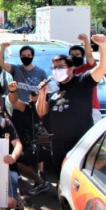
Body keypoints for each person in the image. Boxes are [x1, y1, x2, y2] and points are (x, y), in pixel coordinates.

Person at [37, 34, 106, 176]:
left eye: (61, 67)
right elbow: (42, 112)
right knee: (60, 174)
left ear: (71, 69)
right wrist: (42, 94)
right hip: (57, 142)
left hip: (80, 142)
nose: (57, 70)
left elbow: (102, 68)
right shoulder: (53, 87)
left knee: (78, 177)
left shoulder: (83, 81)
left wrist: (103, 46)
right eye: (54, 67)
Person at [7, 81, 50, 196]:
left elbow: (41, 112)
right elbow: (14, 101)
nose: (32, 98)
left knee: (18, 161)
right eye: (32, 95)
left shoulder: (47, 106)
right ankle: (40, 179)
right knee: (19, 159)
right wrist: (12, 91)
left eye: (36, 95)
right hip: (36, 145)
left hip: (49, 146)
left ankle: (41, 181)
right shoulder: (29, 107)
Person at [69, 33, 101, 124]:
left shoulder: (89, 68)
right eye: (72, 55)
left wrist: (86, 40)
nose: (74, 57)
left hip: (91, 108)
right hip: (74, 110)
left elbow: (89, 56)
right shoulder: (68, 71)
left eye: (77, 54)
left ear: (82, 56)